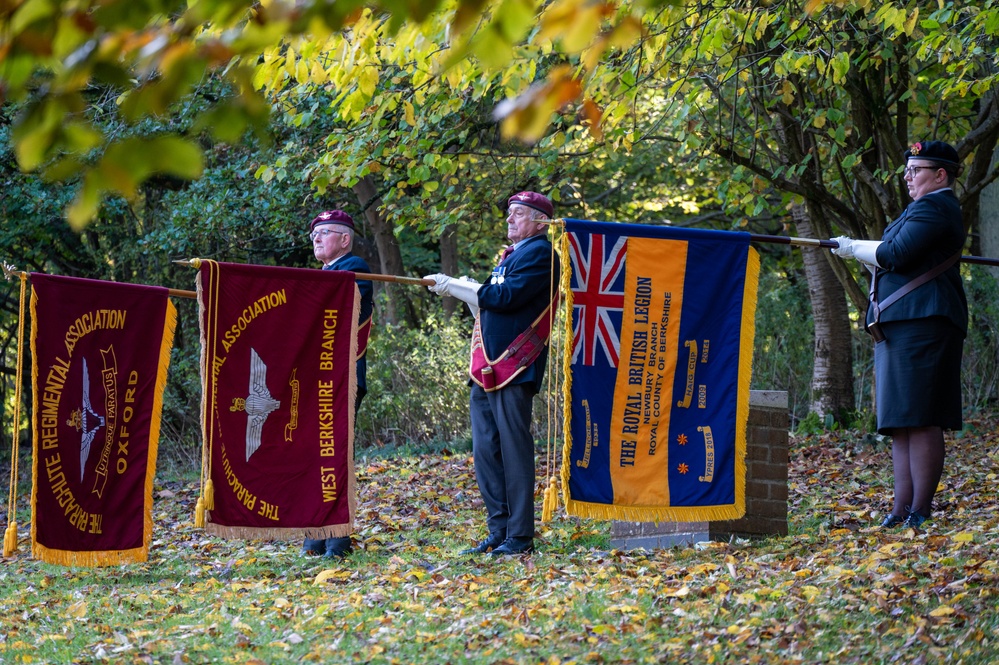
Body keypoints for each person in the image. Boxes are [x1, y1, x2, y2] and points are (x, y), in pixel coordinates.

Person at [831, 140, 967, 530]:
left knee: (922, 417)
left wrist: (854, 247)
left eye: (917, 170)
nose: (908, 176)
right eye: (907, 170)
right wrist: (858, 249)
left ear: (940, 175)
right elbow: (895, 252)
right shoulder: (918, 209)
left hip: (926, 322)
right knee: (901, 420)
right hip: (901, 324)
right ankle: (900, 509)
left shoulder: (937, 207)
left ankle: (920, 511)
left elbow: (894, 254)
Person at [425, 192, 560, 556]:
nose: (510, 219)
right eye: (509, 214)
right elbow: (489, 308)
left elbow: (504, 299)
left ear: (540, 222)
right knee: (486, 450)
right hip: (487, 366)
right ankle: (498, 530)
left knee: (514, 450)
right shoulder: (510, 257)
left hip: (515, 367)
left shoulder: (541, 254)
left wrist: (456, 286)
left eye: (519, 214)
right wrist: (467, 290)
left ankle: (519, 536)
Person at [303, 209, 374, 558]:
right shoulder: (325, 274)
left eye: (325, 232)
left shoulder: (354, 268)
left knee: (333, 457)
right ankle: (316, 536)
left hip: (341, 379)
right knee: (314, 457)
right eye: (313, 233)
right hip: (316, 379)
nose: (316, 238)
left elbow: (337, 311)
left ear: (344, 239)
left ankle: (338, 540)